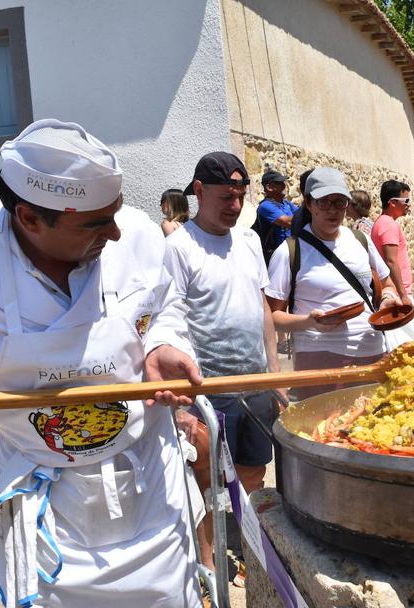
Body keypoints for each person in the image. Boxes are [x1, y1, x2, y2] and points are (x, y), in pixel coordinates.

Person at [0, 119, 203, 607]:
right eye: (95, 223)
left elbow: (166, 307)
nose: (116, 230)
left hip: (150, 485)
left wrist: (160, 347)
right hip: (44, 493)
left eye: (116, 212)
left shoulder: (139, 237)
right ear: (28, 217)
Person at [168, 151, 284, 571]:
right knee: (210, 481)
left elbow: (263, 311)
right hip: (207, 391)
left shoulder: (250, 240)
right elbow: (169, 322)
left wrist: (274, 376)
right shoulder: (179, 246)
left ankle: (248, 546)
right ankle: (210, 562)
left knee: (253, 471)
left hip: (255, 385)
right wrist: (182, 403)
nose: (235, 206)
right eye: (226, 196)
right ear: (199, 191)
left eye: (240, 196)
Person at [266, 168, 400, 400]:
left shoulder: (360, 241)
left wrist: (388, 300)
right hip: (319, 359)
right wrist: (310, 322)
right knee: (322, 431)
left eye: (339, 202)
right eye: (324, 202)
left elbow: (387, 284)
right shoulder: (290, 251)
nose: (333, 210)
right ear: (308, 203)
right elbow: (271, 316)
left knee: (371, 429)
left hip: (372, 353)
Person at [371, 179, 414, 344]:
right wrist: (403, 295)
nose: (409, 205)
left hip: (395, 292)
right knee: (411, 344)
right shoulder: (388, 225)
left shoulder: (383, 223)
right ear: (392, 203)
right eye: (406, 200)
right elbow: (391, 261)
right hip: (397, 294)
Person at [254, 168, 298, 263]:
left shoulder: (286, 203)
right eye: (280, 183)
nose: (284, 185)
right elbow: (288, 222)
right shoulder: (265, 206)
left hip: (289, 253)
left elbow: (301, 213)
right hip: (275, 258)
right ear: (269, 187)